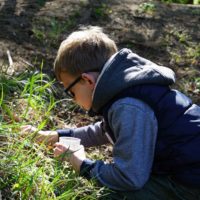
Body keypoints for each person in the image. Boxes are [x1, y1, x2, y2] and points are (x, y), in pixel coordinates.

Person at [22, 26, 200, 199]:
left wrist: (82, 165)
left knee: (103, 194)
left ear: (87, 80)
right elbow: (105, 130)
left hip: (188, 184)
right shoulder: (127, 89)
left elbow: (129, 178)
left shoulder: (128, 106)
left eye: (71, 91)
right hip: (186, 172)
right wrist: (55, 136)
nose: (73, 99)